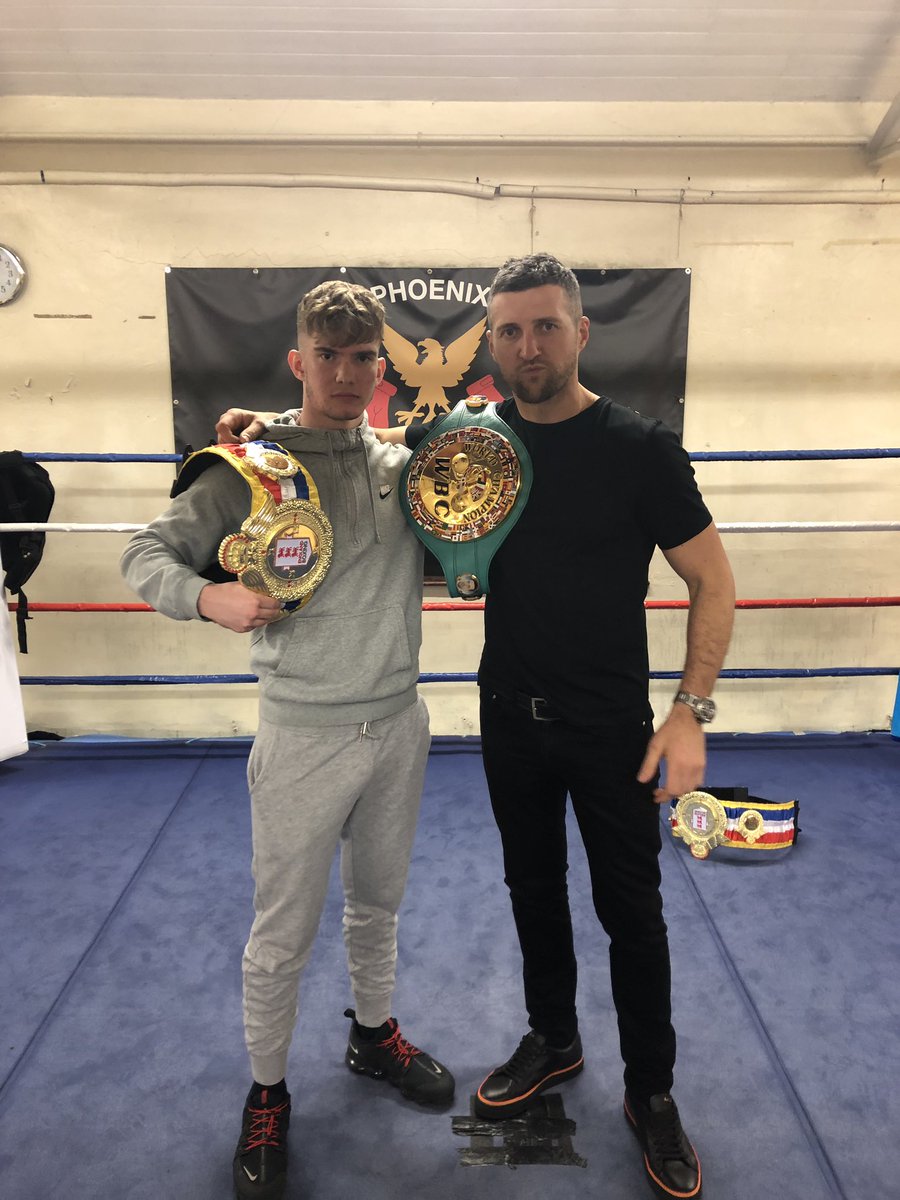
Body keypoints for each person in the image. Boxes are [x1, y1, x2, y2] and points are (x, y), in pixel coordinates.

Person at [218, 253, 735, 1199]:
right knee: (531, 888)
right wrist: (259, 433)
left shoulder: (639, 447)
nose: (527, 345)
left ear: (581, 332)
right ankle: (555, 1038)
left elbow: (714, 579)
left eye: (545, 326)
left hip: (615, 723)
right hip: (510, 718)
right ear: (486, 344)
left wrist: (690, 712)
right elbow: (338, 440)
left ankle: (653, 1092)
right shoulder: (466, 441)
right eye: (508, 330)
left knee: (634, 914)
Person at [122, 280, 454, 1200]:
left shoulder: (400, 461)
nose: (346, 375)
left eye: (363, 359)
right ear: (299, 362)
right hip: (303, 735)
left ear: (382, 369)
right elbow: (142, 555)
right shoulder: (247, 468)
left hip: (400, 722)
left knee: (379, 903)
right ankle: (266, 1092)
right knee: (283, 934)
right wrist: (208, 595)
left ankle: (372, 1032)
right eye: (330, 356)